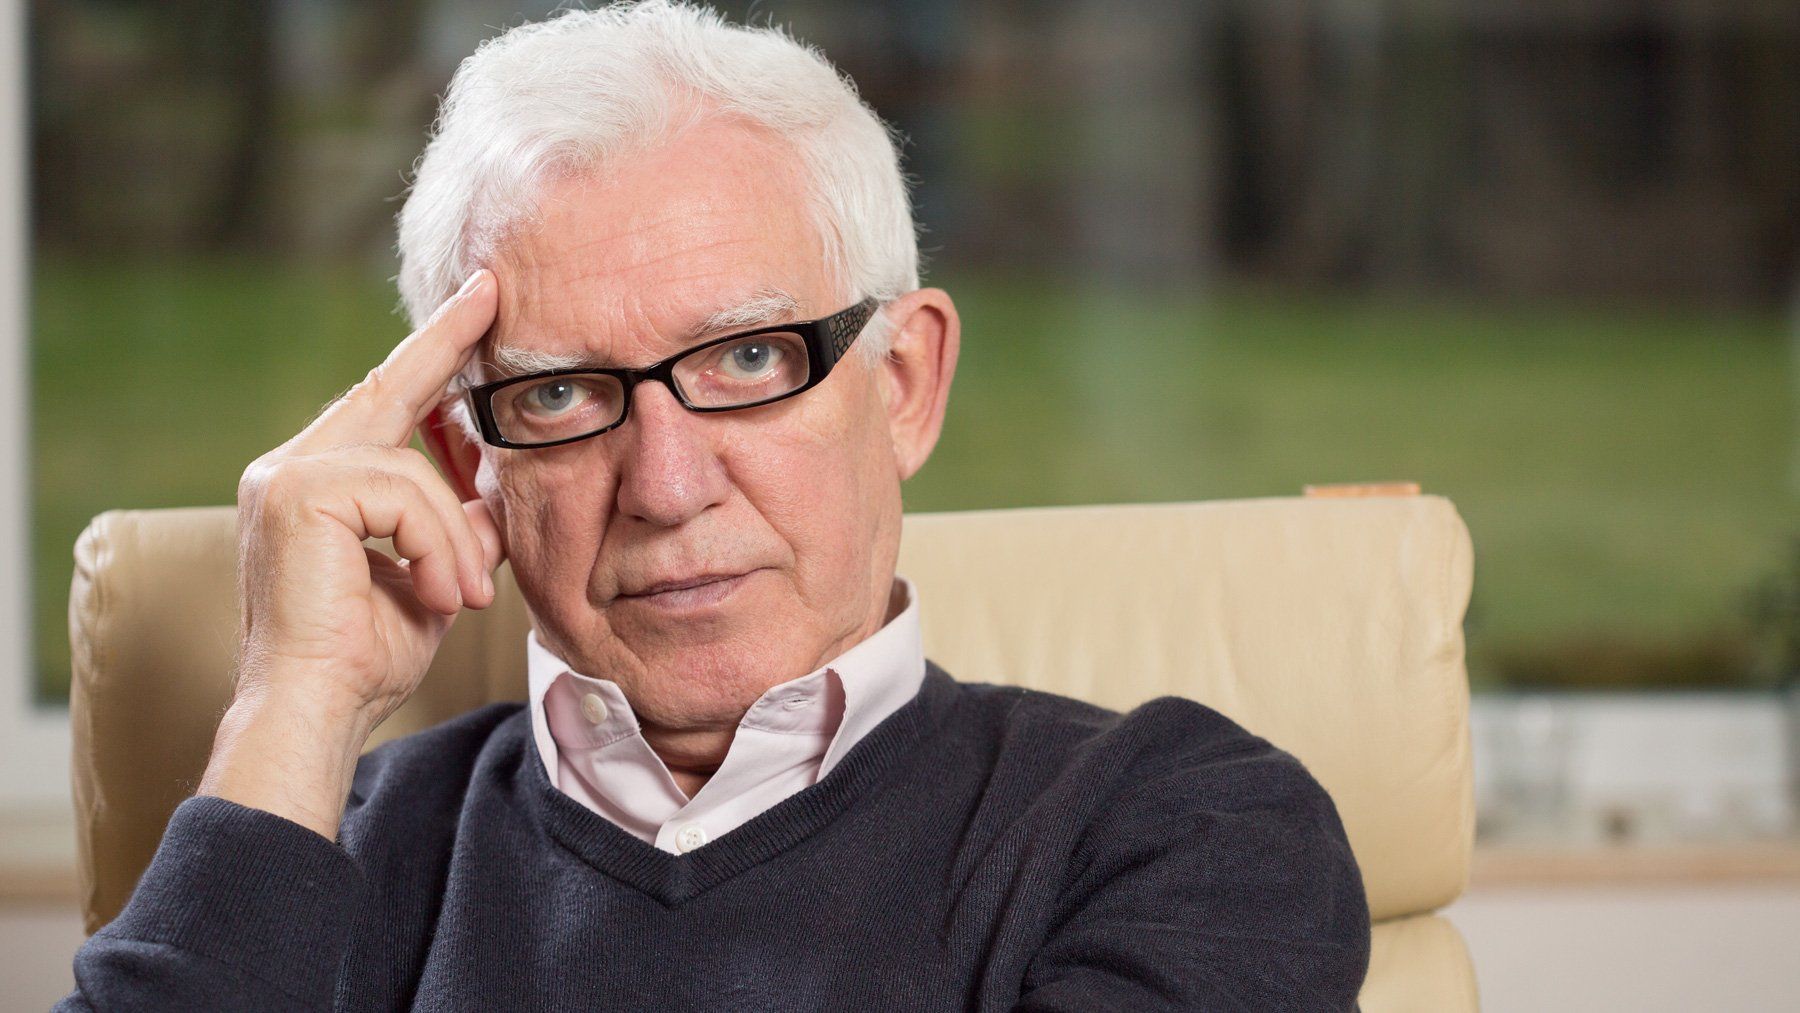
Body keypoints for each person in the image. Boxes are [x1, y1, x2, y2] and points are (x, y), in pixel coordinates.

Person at [61, 3, 1369, 1009]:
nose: (669, 486)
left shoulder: (1176, 826)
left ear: (903, 384)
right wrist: (291, 701)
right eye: (560, 393)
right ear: (471, 468)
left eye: (748, 358)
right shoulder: (306, 865)